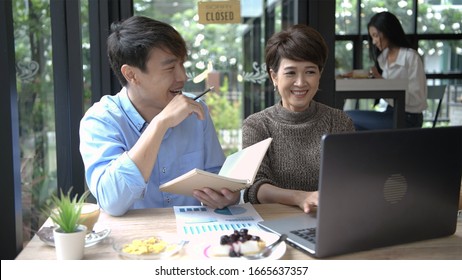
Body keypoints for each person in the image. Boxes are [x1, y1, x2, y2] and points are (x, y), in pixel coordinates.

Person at [79, 16, 240, 216]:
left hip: (196, 236)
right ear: (131, 75)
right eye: (170, 68)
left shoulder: (196, 110)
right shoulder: (101, 120)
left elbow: (218, 176)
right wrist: (160, 124)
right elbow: (112, 201)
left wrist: (229, 195)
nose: (183, 77)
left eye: (182, 64)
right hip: (135, 242)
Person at [242, 24, 355, 213]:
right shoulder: (257, 125)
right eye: (291, 72)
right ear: (274, 77)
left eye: (310, 71)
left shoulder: (339, 121)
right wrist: (300, 197)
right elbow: (255, 187)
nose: (301, 83)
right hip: (273, 222)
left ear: (319, 74)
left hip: (327, 220)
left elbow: (350, 179)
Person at [345, 11, 427, 130]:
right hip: (390, 113)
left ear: (388, 31)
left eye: (375, 35)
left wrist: (381, 82)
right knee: (353, 126)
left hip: (408, 118)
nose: (373, 41)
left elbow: (417, 99)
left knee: (345, 116)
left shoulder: (410, 57)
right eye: (372, 37)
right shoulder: (384, 58)